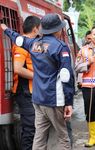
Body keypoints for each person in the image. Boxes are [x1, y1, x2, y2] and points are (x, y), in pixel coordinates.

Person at [1, 13, 75, 149]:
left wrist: (5, 27)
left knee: (39, 137)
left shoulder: (33, 44)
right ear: (57, 29)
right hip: (54, 100)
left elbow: (17, 39)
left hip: (37, 99)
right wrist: (69, 102)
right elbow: (66, 76)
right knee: (63, 137)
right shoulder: (60, 47)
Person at [12, 16, 40, 150]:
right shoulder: (22, 44)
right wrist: (40, 76)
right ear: (35, 29)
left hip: (31, 91)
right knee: (30, 129)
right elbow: (17, 68)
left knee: (34, 129)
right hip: (25, 92)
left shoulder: (30, 43)